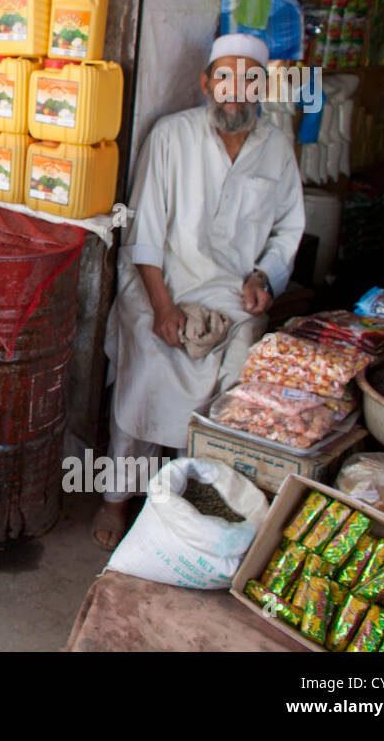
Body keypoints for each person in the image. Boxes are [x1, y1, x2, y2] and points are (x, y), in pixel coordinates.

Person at [94, 34, 304, 549]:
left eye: (249, 79)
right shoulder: (171, 136)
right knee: (148, 359)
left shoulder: (277, 146)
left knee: (242, 372)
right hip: (161, 283)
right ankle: (117, 498)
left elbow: (288, 228)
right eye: (225, 79)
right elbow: (144, 234)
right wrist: (164, 308)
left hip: (232, 294)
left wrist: (265, 278)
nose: (236, 92)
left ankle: (202, 500)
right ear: (207, 83)